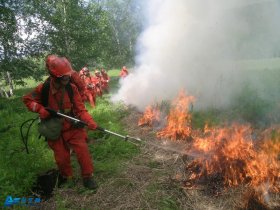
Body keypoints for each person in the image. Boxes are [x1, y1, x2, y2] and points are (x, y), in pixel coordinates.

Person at [22, 55, 98, 190]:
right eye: (64, 76)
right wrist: (39, 109)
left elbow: (80, 110)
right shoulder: (43, 89)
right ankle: (66, 176)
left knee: (82, 150)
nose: (67, 78)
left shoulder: (71, 88)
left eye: (68, 75)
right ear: (54, 76)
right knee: (61, 157)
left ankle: (88, 176)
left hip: (71, 125)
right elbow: (27, 100)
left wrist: (90, 121)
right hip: (53, 128)